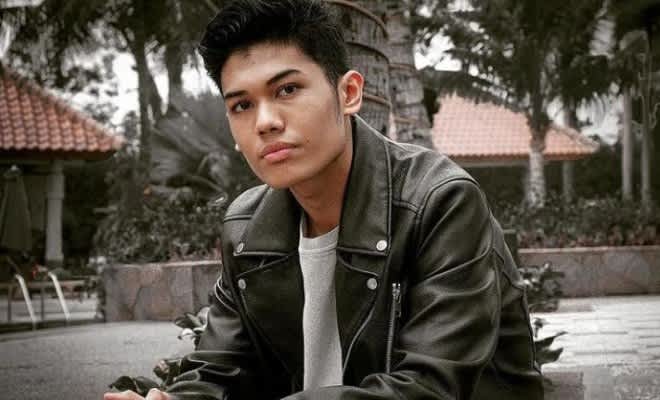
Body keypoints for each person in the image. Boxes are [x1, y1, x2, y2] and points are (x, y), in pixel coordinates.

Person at [104, 0, 544, 399]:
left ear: (348, 93)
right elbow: (220, 369)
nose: (265, 122)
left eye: (287, 90)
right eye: (241, 105)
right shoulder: (245, 228)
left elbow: (430, 387)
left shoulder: (439, 203)